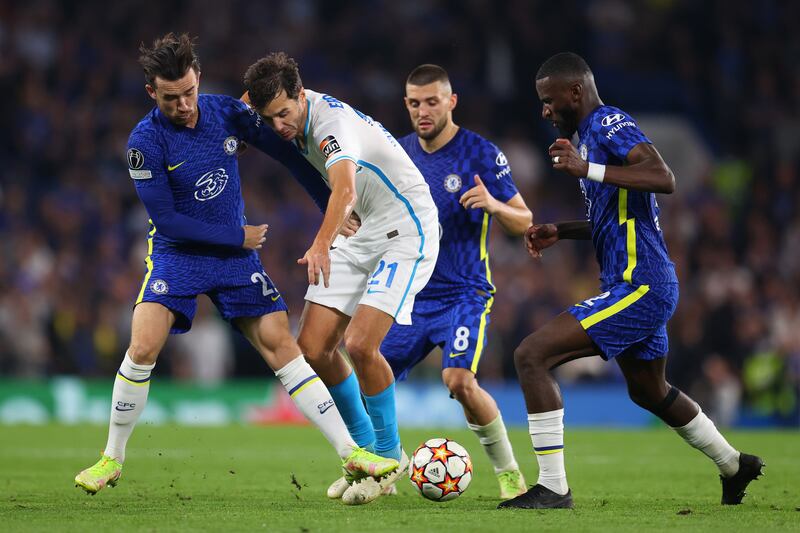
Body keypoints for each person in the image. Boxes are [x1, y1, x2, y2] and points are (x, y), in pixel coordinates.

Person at [74, 33, 398, 499]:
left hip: (233, 261)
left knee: (281, 344)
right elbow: (166, 218)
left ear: (198, 79)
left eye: (188, 92)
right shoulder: (144, 142)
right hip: (178, 254)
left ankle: (351, 451)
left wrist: (331, 203)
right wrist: (235, 236)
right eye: (171, 98)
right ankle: (112, 457)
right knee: (143, 346)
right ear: (152, 93)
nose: (184, 105)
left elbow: (287, 152)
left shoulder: (226, 112)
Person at [498, 52, 764, 510]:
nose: (544, 110)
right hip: (640, 282)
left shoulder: (608, 123)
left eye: (548, 100)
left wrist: (587, 169)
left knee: (531, 354)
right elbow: (613, 217)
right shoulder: (592, 140)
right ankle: (734, 464)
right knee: (648, 390)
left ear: (575, 92)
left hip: (640, 284)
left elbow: (664, 177)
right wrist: (562, 230)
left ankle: (553, 488)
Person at [243, 52, 440, 504]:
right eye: (267, 118)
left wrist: (319, 243)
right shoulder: (284, 106)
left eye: (284, 114)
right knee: (313, 349)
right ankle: (363, 455)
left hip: (406, 229)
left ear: (301, 93)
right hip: (361, 227)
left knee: (360, 344)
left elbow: (345, 190)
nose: (278, 127)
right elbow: (246, 105)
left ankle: (389, 459)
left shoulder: (331, 126)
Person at [376, 64, 532, 499]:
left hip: (465, 292)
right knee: (373, 376)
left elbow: (525, 221)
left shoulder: (480, 154)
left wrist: (495, 206)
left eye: (431, 102)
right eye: (414, 103)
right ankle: (382, 469)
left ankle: (509, 476)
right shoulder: (397, 152)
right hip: (412, 295)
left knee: (458, 381)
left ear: (451, 101)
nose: (422, 111)